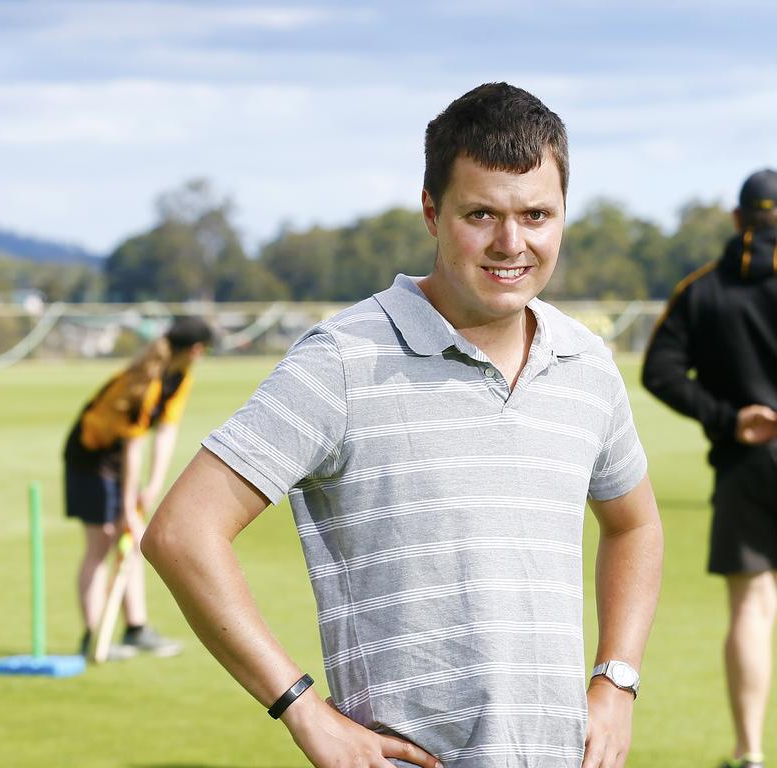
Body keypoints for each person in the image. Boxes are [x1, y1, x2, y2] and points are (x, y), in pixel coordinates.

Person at [143, 82, 664, 768]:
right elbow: (182, 532)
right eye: (482, 214)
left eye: (537, 214)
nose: (512, 243)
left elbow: (635, 525)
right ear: (431, 213)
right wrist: (300, 707)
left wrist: (617, 680)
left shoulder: (586, 363)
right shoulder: (344, 360)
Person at [642, 169, 777, 768]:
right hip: (745, 463)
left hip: (746, 466)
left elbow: (660, 371)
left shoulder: (703, 290)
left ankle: (750, 752)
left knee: (751, 609)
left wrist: (727, 418)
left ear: (735, 218)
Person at [65, 316, 213, 660]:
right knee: (101, 543)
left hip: (118, 457)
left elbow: (165, 431)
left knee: (130, 544)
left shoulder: (180, 377)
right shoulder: (146, 380)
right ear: (194, 349)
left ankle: (135, 629)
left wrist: (154, 485)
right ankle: (93, 637)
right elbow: (132, 448)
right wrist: (130, 504)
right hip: (91, 458)